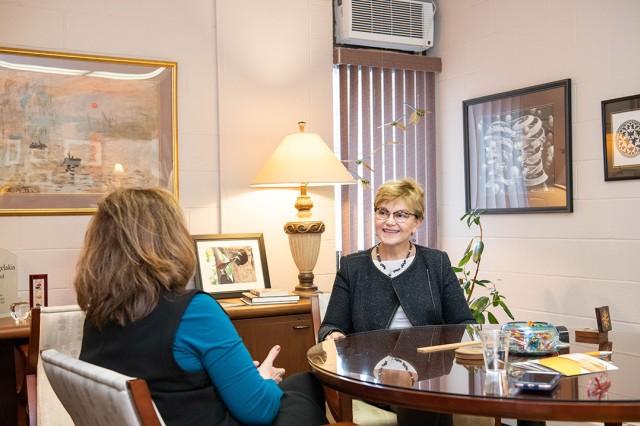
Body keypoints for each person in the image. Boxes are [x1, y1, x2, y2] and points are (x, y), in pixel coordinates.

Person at [75, 187, 328, 426]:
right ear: (170, 241)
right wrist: (265, 379)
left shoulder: (97, 316)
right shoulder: (194, 311)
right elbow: (259, 411)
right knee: (306, 384)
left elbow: (169, 383)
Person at [318, 177, 475, 426]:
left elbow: (464, 324)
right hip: (372, 378)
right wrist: (334, 335)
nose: (390, 222)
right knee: (422, 398)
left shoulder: (436, 263)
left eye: (401, 215)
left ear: (416, 223)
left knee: (424, 394)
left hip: (427, 374)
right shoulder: (352, 267)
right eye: (383, 212)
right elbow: (330, 326)